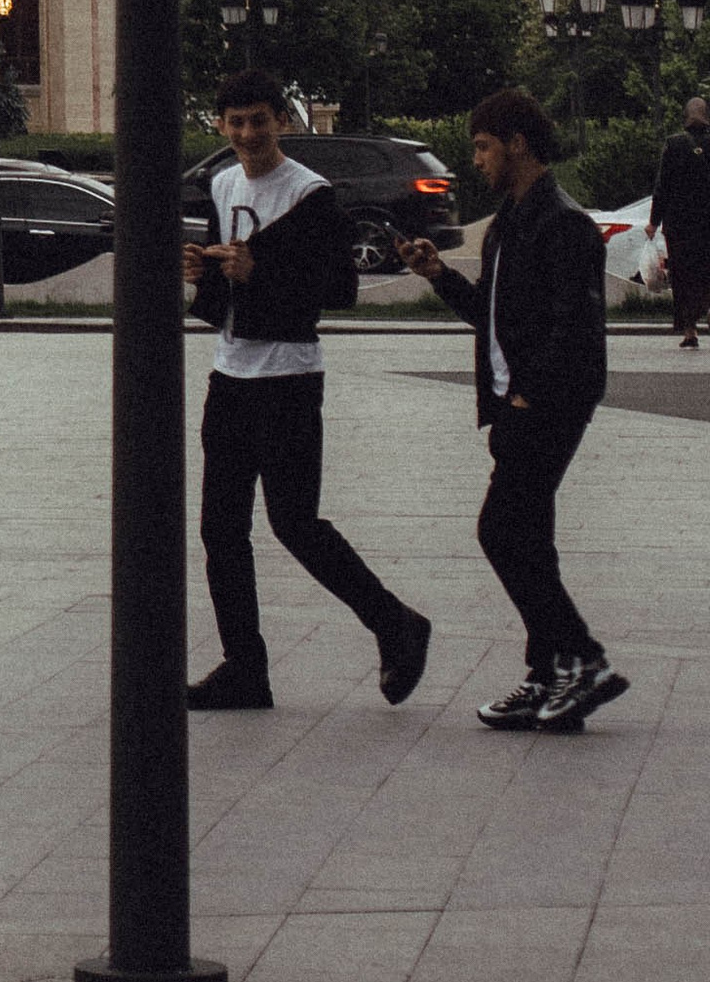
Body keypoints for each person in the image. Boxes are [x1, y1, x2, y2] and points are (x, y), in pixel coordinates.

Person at [182, 75, 431, 714]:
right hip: (230, 374)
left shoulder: (310, 195)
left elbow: (339, 290)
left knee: (295, 523)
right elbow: (224, 297)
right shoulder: (223, 185)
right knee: (220, 530)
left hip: (289, 377)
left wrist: (258, 272)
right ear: (220, 126)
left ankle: (395, 622)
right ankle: (245, 667)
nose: (247, 134)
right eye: (234, 122)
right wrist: (203, 274)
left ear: (282, 122)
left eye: (258, 120)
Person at [400, 84, 621, 731]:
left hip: (550, 404)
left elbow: (573, 329)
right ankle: (549, 675)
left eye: (484, 146)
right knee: (531, 541)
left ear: (518, 143)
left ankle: (585, 659)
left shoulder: (563, 225)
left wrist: (528, 393)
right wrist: (439, 275)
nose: (477, 160)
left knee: (501, 532)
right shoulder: (507, 225)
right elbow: (492, 321)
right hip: (517, 404)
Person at [648, 95, 710, 350]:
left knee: (683, 276)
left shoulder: (673, 145)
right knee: (707, 272)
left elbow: (662, 187)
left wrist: (654, 221)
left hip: (679, 226)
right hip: (707, 224)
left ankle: (689, 329)